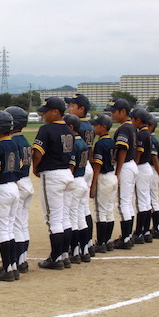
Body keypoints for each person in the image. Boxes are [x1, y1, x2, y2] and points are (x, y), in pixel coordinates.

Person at [32, 97, 75, 270]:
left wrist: (35, 167)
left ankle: (56, 258)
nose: (43, 115)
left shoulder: (47, 129)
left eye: (46, 111)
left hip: (52, 175)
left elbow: (37, 152)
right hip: (67, 174)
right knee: (65, 217)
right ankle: (64, 255)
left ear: (56, 111)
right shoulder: (69, 129)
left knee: (53, 218)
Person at [0, 111, 21, 282]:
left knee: (2, 230)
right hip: (14, 187)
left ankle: (7, 269)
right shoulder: (14, 144)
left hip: (1, 189)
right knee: (9, 228)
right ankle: (13, 267)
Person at [104, 98, 138, 249]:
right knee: (128, 202)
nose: (111, 115)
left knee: (122, 203)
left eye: (114, 112)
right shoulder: (131, 127)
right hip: (131, 166)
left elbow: (122, 150)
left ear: (123, 112)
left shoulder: (124, 128)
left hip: (124, 166)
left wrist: (117, 173)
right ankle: (128, 236)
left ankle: (125, 238)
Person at [65, 94, 95, 254]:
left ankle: (76, 247)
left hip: (78, 167)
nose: (69, 109)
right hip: (86, 164)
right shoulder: (89, 125)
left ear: (82, 109)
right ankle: (87, 244)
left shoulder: (78, 127)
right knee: (84, 209)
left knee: (76, 210)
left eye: (72, 106)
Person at [5, 106, 33, 275]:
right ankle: (22, 260)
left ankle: (16, 261)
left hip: (18, 183)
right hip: (27, 182)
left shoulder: (13, 142)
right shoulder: (24, 140)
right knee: (22, 223)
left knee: (15, 224)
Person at [63, 113, 91, 263]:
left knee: (72, 218)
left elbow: (71, 165)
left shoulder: (72, 142)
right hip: (83, 181)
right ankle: (84, 250)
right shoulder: (83, 142)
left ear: (71, 127)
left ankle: (74, 251)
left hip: (75, 181)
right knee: (81, 218)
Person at [89, 113, 117, 253]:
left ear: (103, 127)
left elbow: (97, 165)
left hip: (104, 177)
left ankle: (100, 242)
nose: (94, 127)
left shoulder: (100, 143)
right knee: (108, 210)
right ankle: (107, 241)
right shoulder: (112, 141)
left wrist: (93, 184)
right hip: (113, 176)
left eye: (96, 125)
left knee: (100, 211)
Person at [130, 107, 153, 244]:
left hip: (142, 167)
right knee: (145, 200)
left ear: (138, 120)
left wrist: (135, 167)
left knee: (142, 201)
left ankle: (140, 232)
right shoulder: (147, 133)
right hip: (147, 167)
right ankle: (146, 231)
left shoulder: (141, 135)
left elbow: (138, 153)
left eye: (133, 119)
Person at [147, 115, 159, 239]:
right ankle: (156, 226)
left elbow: (155, 158)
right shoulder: (155, 139)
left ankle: (158, 227)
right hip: (154, 170)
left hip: (152, 170)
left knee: (153, 200)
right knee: (150, 200)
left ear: (151, 127)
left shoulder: (152, 140)